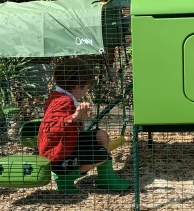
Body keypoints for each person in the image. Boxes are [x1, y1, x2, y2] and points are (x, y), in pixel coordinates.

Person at [37, 58, 130, 194]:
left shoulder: (60, 97)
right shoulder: (62, 101)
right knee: (102, 154)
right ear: (77, 87)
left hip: (67, 144)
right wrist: (75, 117)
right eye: (86, 87)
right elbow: (51, 129)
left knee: (101, 135)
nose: (87, 91)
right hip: (58, 157)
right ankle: (65, 177)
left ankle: (106, 177)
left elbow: (64, 122)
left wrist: (79, 120)